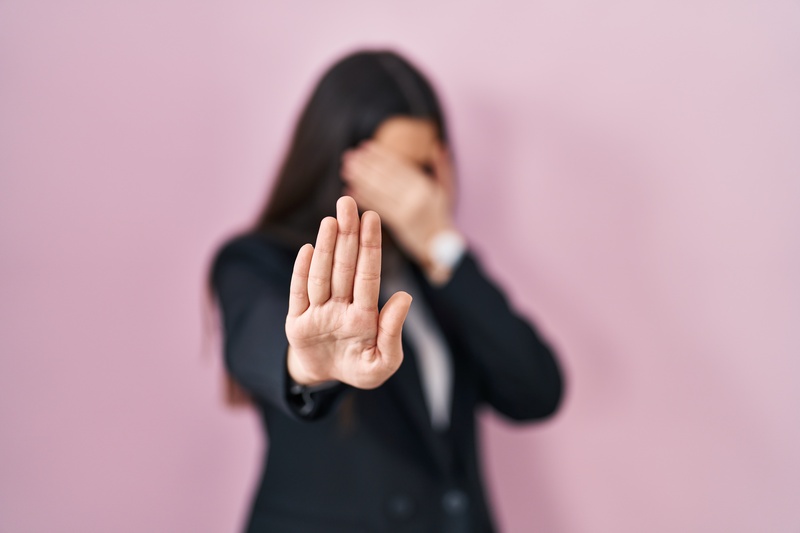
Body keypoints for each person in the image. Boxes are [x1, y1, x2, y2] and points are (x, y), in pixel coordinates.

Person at [210, 49, 563, 533]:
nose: (411, 191)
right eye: (391, 171)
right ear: (339, 159)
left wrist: (442, 246)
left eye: (423, 168)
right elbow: (257, 337)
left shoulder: (438, 277)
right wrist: (306, 365)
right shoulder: (257, 261)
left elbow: (536, 391)